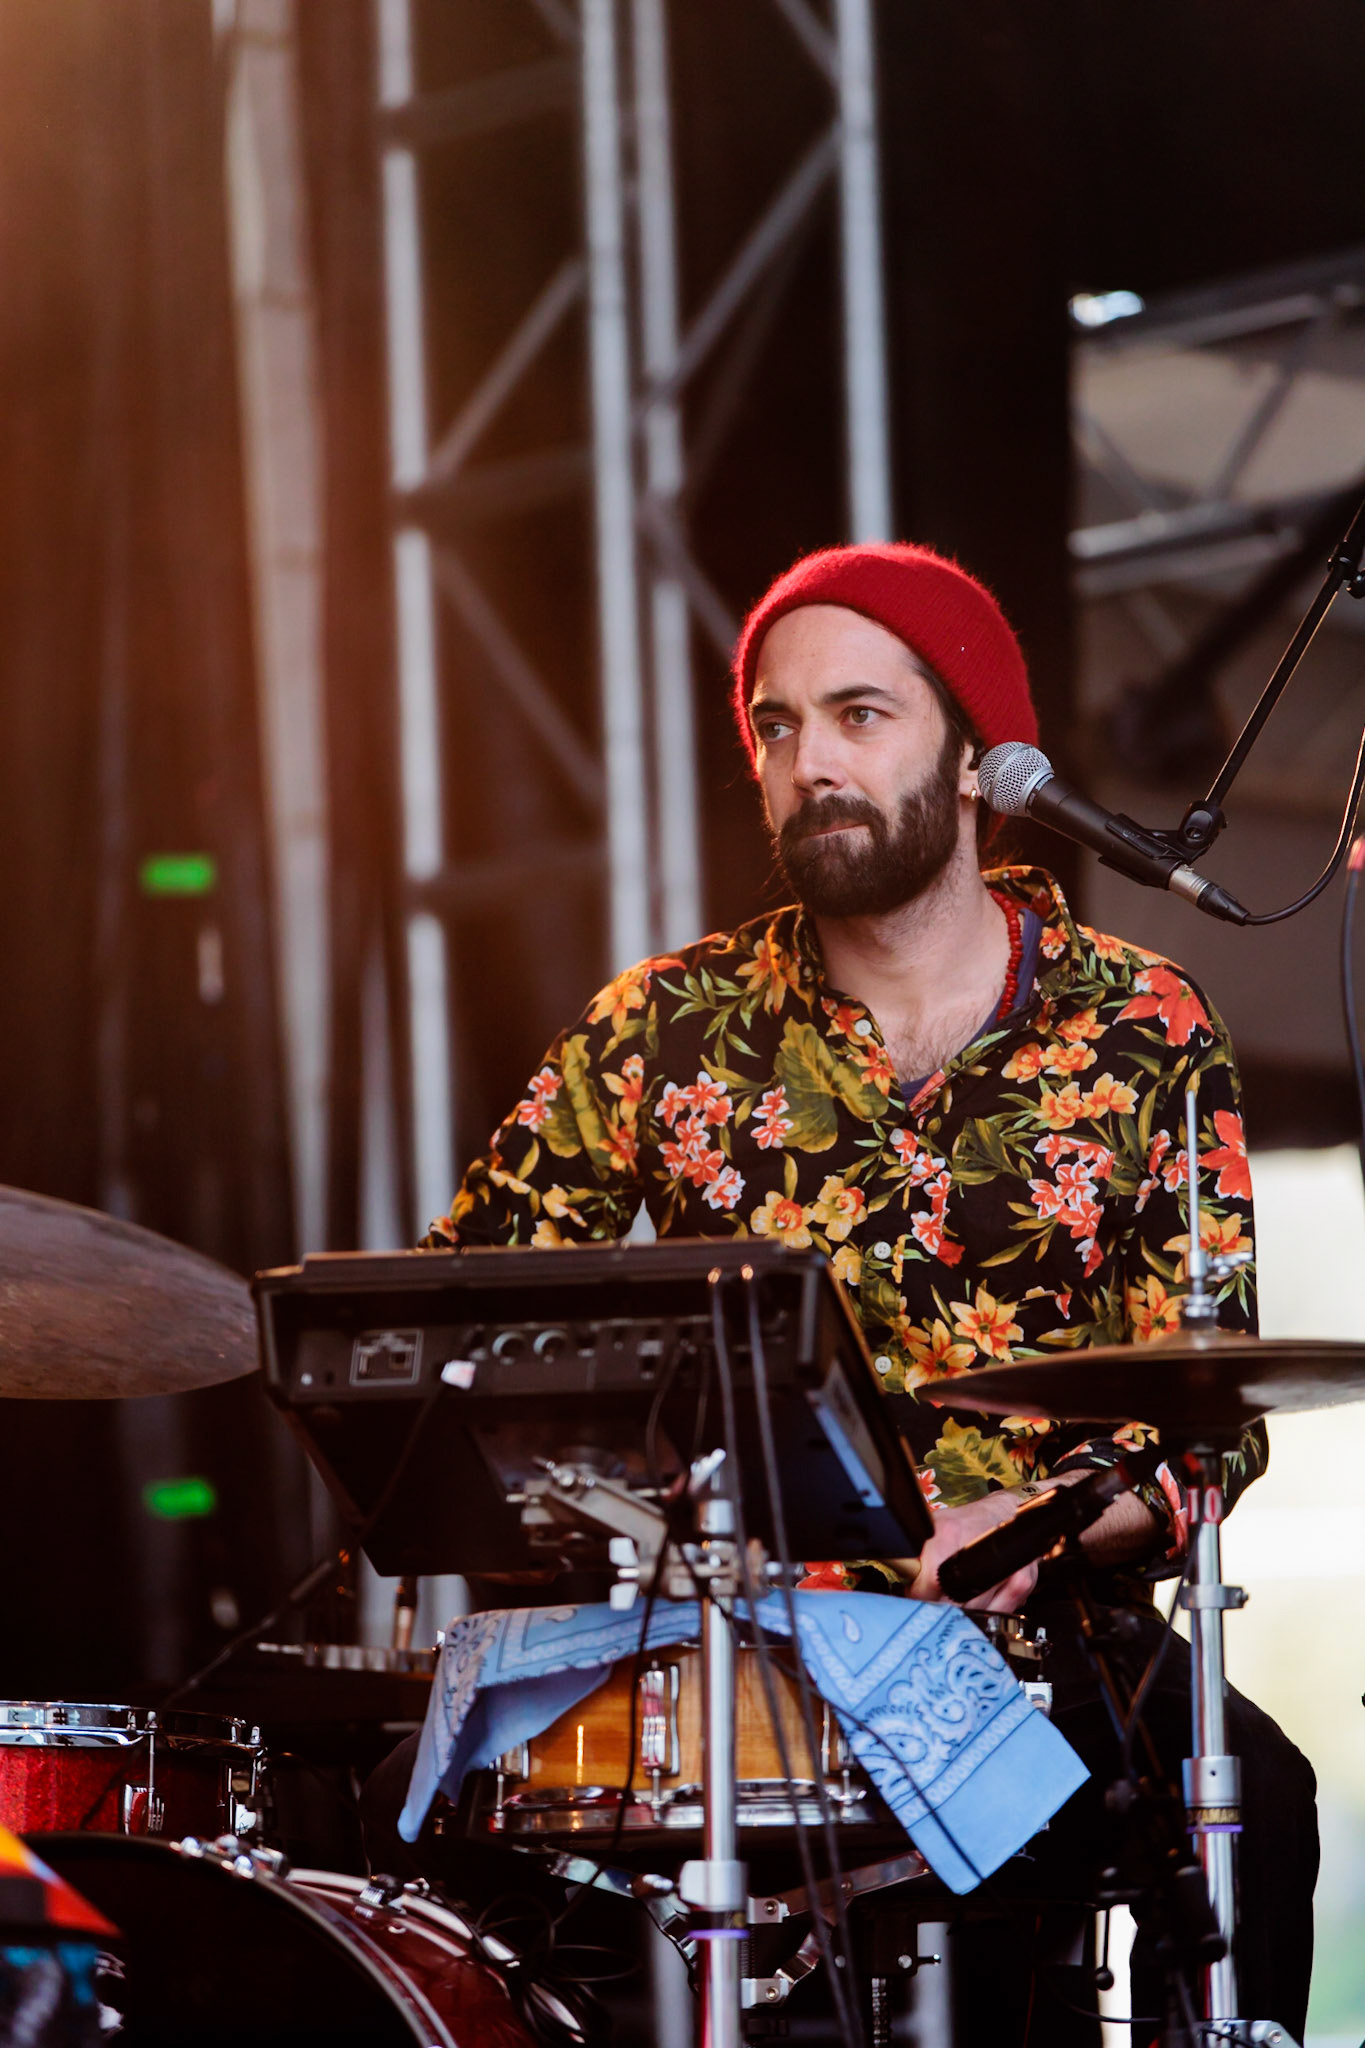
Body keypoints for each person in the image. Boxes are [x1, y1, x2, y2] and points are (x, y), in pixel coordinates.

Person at [389, 544, 1318, 2042]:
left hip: (1035, 1644)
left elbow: (1203, 1416)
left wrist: (1024, 1527)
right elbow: (448, 1323)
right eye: (776, 726)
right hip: (723, 1635)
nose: (808, 759)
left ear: (974, 760)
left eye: (859, 716)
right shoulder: (664, 1026)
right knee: (407, 1824)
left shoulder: (1142, 1023)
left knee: (1255, 1800)